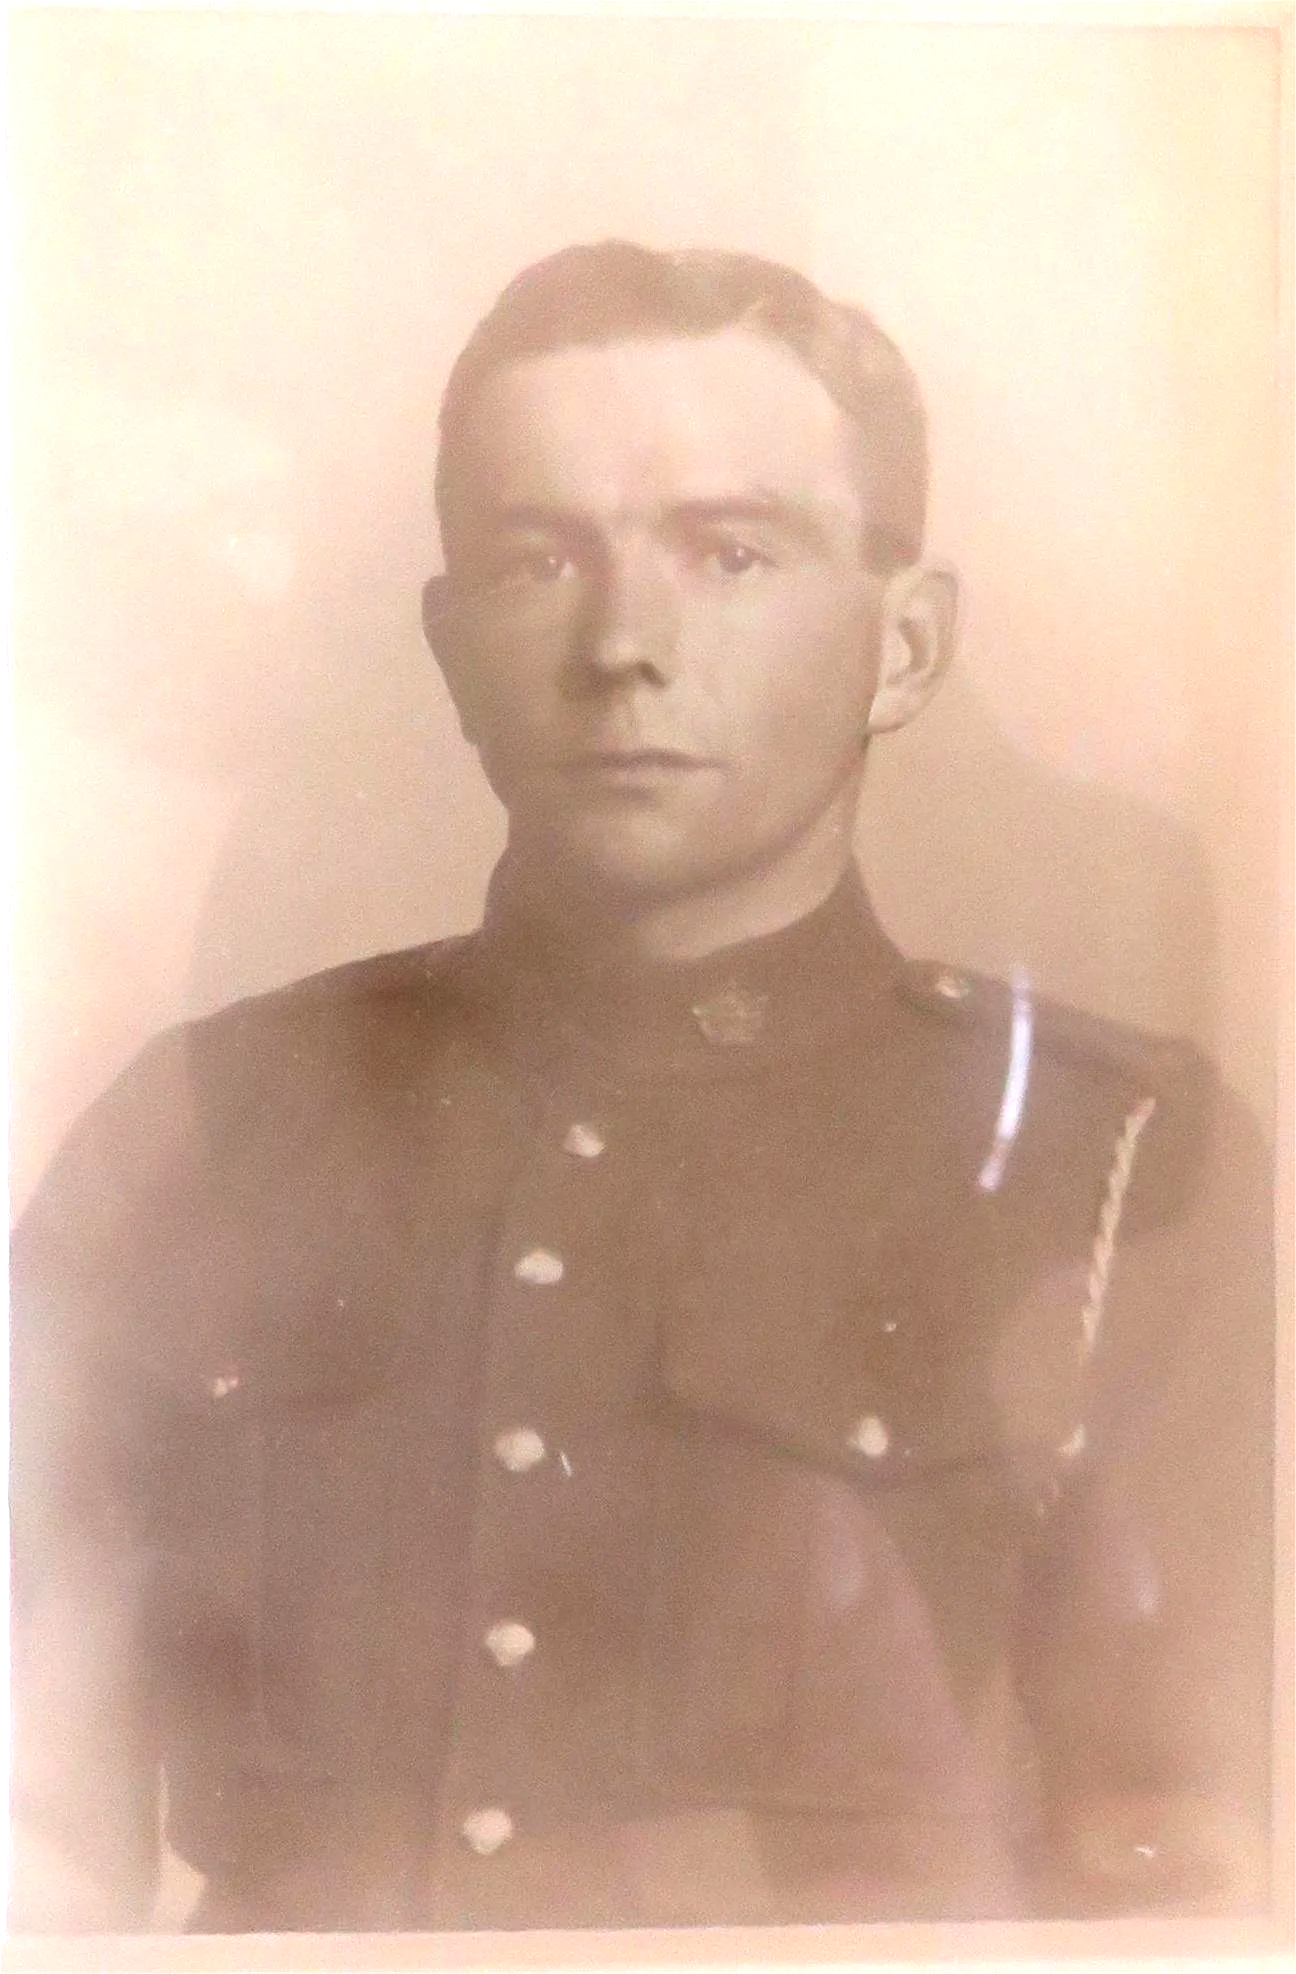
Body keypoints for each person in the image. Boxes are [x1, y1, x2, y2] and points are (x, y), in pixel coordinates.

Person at [8, 241, 1275, 1934]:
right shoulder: (197, 1131)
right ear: (454, 652)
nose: (624, 645)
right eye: (540, 561)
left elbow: (1190, 1884)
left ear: (905, 649)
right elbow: (29, 1842)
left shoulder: (1110, 1161)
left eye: (732, 553)